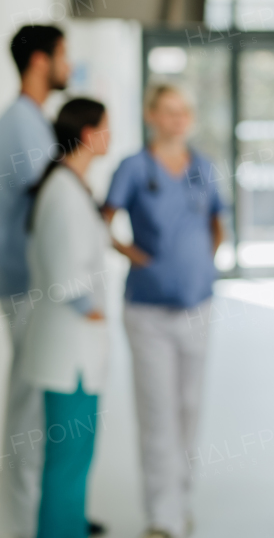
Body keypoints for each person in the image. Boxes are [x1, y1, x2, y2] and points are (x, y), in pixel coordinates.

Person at [102, 84, 226, 538]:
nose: (177, 120)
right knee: (157, 412)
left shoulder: (203, 167)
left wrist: (201, 262)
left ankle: (182, 499)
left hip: (198, 302)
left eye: (184, 112)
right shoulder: (134, 167)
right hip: (148, 308)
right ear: (151, 115)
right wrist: (136, 256)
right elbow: (104, 218)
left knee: (189, 407)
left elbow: (218, 220)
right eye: (168, 111)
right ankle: (161, 515)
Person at [19, 99, 111, 538]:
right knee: (68, 461)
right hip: (70, 352)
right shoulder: (64, 193)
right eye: (106, 128)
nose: (110, 135)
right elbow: (65, 277)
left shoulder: (69, 186)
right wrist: (90, 311)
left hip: (73, 350)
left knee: (73, 458)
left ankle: (67, 528)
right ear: (89, 135)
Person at [0, 25, 69, 538]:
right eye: (65, 55)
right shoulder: (20, 122)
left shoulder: (33, 121)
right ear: (42, 61)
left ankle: (45, 514)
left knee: (37, 401)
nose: (70, 64)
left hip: (34, 282)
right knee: (27, 405)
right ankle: (21, 524)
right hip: (24, 283)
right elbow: (48, 200)